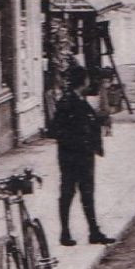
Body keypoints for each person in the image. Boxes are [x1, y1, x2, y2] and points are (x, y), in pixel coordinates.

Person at [50, 66, 114, 246]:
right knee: (68, 193)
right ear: (83, 81)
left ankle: (94, 232)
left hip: (82, 156)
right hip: (73, 157)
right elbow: (56, 130)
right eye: (86, 79)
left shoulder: (79, 100)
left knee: (86, 194)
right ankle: (65, 233)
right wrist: (79, 144)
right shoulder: (68, 102)